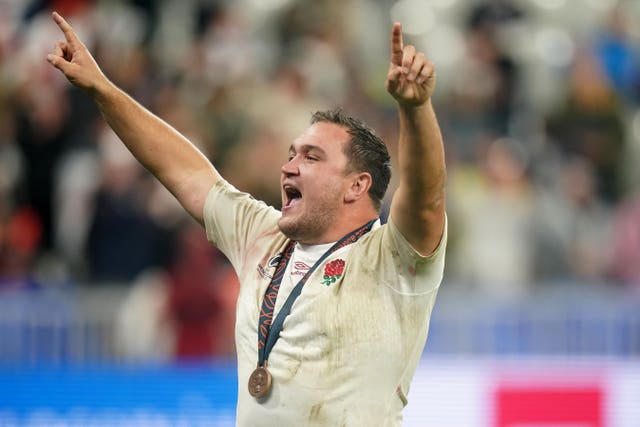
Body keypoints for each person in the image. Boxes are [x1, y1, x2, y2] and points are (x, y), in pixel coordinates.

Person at [47, 10, 447, 427]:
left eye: (311, 157)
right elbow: (183, 171)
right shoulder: (264, 236)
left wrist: (415, 109)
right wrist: (102, 90)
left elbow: (425, 200)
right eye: (291, 153)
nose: (289, 166)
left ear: (356, 186)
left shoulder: (391, 258)